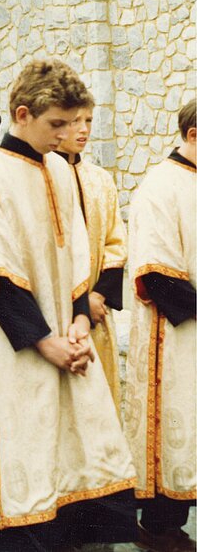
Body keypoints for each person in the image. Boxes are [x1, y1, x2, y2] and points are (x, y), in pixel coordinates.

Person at [0, 59, 136, 550]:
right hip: (16, 347)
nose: (66, 134)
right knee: (25, 460)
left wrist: (80, 319)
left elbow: (79, 253)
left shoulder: (60, 171)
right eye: (56, 124)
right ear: (21, 113)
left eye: (72, 122)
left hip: (67, 337)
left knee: (75, 460)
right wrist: (46, 343)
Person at [124, 98, 196, 551]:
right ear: (193, 135)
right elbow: (155, 271)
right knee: (175, 427)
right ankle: (158, 526)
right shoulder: (161, 186)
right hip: (176, 333)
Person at [55, 104, 126, 409]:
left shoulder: (100, 179)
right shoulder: (43, 178)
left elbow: (115, 241)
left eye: (88, 121)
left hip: (97, 309)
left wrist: (99, 297)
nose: (84, 129)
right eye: (74, 122)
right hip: (58, 312)